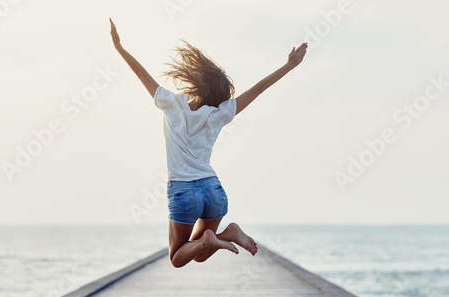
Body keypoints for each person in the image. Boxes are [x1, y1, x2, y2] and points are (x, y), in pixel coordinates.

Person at [109, 18, 307, 268]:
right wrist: (289, 66)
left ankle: (215, 239)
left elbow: (141, 74)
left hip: (184, 191)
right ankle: (226, 234)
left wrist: (119, 48)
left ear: (197, 83)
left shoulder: (171, 103)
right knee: (200, 252)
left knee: (178, 257)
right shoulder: (219, 114)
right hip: (213, 191)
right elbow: (257, 89)